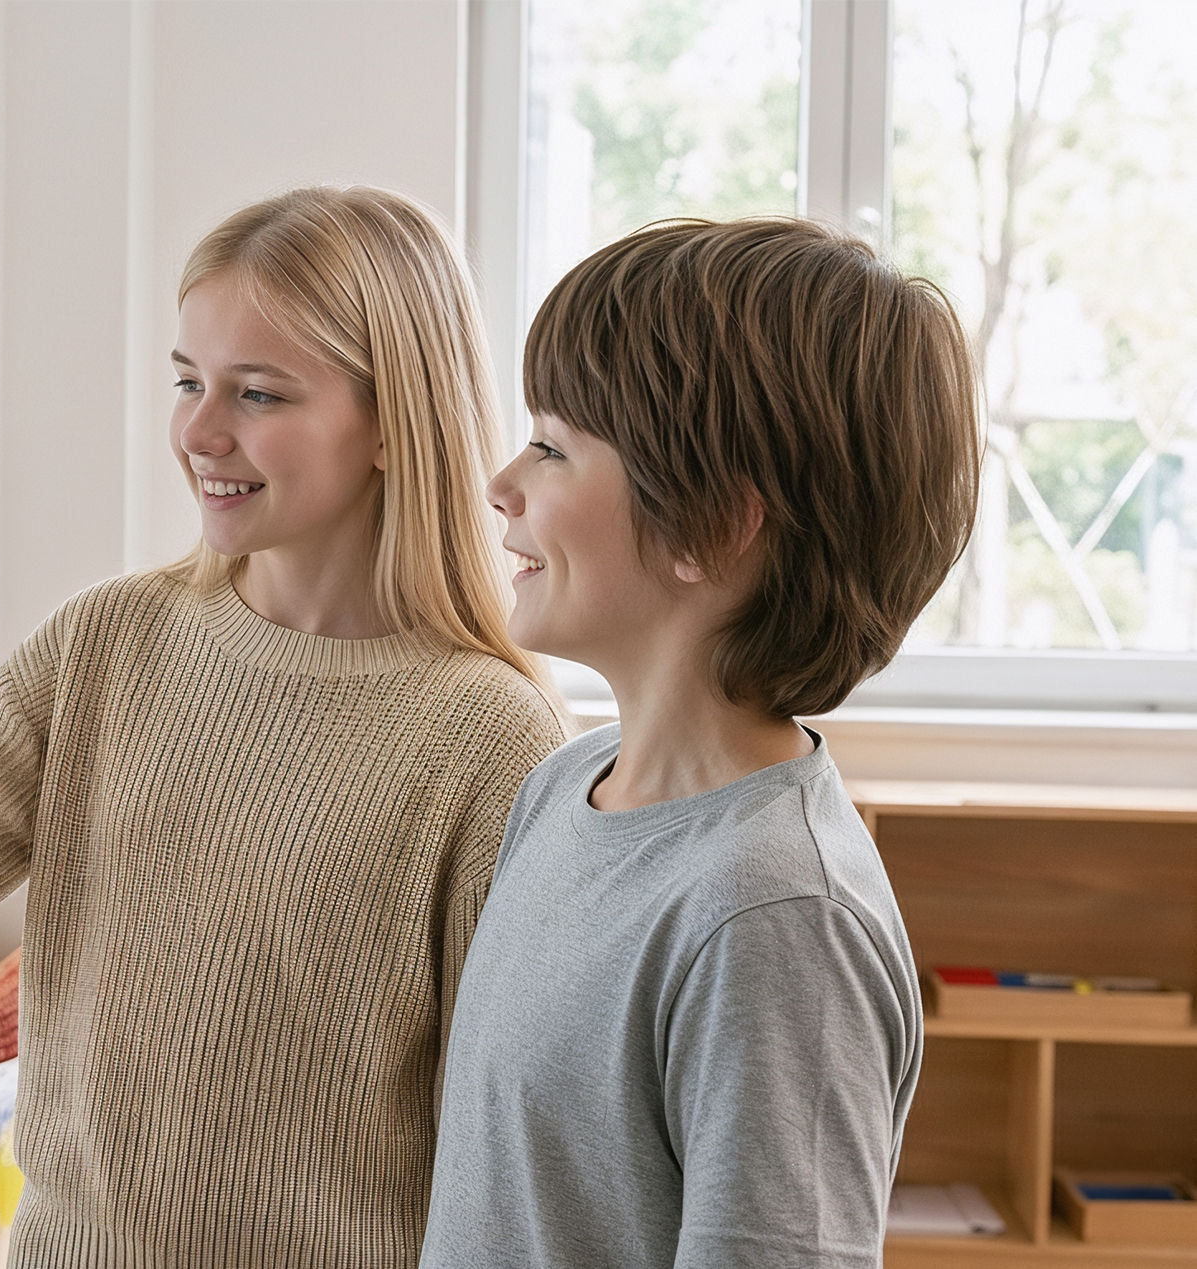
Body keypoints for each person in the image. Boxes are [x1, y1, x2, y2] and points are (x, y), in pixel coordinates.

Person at [0, 186, 563, 1265]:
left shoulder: (495, 743)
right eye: (187, 381)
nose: (199, 432)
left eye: (257, 394)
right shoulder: (106, 646)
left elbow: (509, 1178)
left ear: (394, 419)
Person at [420, 217, 983, 1268]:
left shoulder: (775, 918)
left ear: (716, 525)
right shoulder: (563, 786)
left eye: (552, 446)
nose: (502, 481)